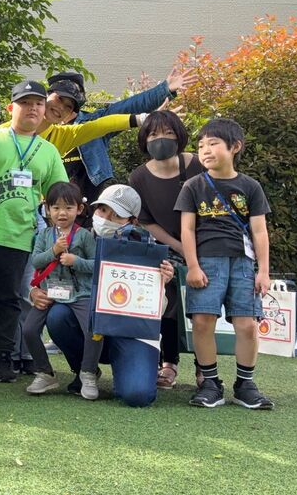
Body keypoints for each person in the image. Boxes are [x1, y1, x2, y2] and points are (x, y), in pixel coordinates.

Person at [0, 80, 68, 383]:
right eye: (25, 103)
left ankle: (4, 356)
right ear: (11, 108)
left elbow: (58, 194)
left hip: (20, 237)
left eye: (38, 104)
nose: (33, 108)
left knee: (10, 300)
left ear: (45, 110)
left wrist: (63, 231)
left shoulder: (49, 151)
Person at [36, 184, 175, 406]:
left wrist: (162, 281)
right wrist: (35, 290)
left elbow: (158, 307)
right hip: (93, 326)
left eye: (117, 215)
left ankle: (130, 368)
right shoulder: (79, 238)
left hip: (132, 332)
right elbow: (49, 272)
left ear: (132, 221)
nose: (106, 218)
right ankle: (85, 372)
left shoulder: (148, 248)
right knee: (58, 316)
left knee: (137, 395)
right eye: (102, 210)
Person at [175, 118, 273, 410]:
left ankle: (245, 384)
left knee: (247, 325)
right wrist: (192, 265)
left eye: (213, 143)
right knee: (203, 322)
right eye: (201, 144)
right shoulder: (193, 186)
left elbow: (259, 231)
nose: (205, 150)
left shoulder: (250, 187)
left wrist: (264, 271)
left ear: (235, 147)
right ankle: (210, 382)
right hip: (206, 263)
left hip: (243, 264)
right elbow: (187, 230)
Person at [45, 67, 198, 225]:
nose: (61, 107)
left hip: (89, 204)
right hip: (54, 206)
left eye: (69, 103)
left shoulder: (92, 124)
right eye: (59, 98)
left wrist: (164, 89)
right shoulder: (42, 131)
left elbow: (128, 107)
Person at [127, 111, 204, 389]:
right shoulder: (138, 177)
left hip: (205, 242)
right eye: (154, 134)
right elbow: (145, 221)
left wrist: (194, 249)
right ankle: (168, 363)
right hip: (166, 247)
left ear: (180, 136)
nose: (161, 140)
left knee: (202, 304)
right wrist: (178, 246)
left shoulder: (197, 164)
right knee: (167, 303)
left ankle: (204, 366)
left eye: (168, 134)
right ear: (144, 139)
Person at [22, 182, 99, 397]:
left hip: (80, 294)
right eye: (56, 208)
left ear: (79, 209)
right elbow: (36, 261)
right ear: (47, 209)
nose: (62, 213)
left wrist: (76, 261)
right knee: (29, 330)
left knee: (93, 331)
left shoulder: (84, 235)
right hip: (50, 292)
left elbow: (96, 265)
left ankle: (88, 373)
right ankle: (45, 372)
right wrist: (53, 251)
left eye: (68, 208)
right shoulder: (44, 235)